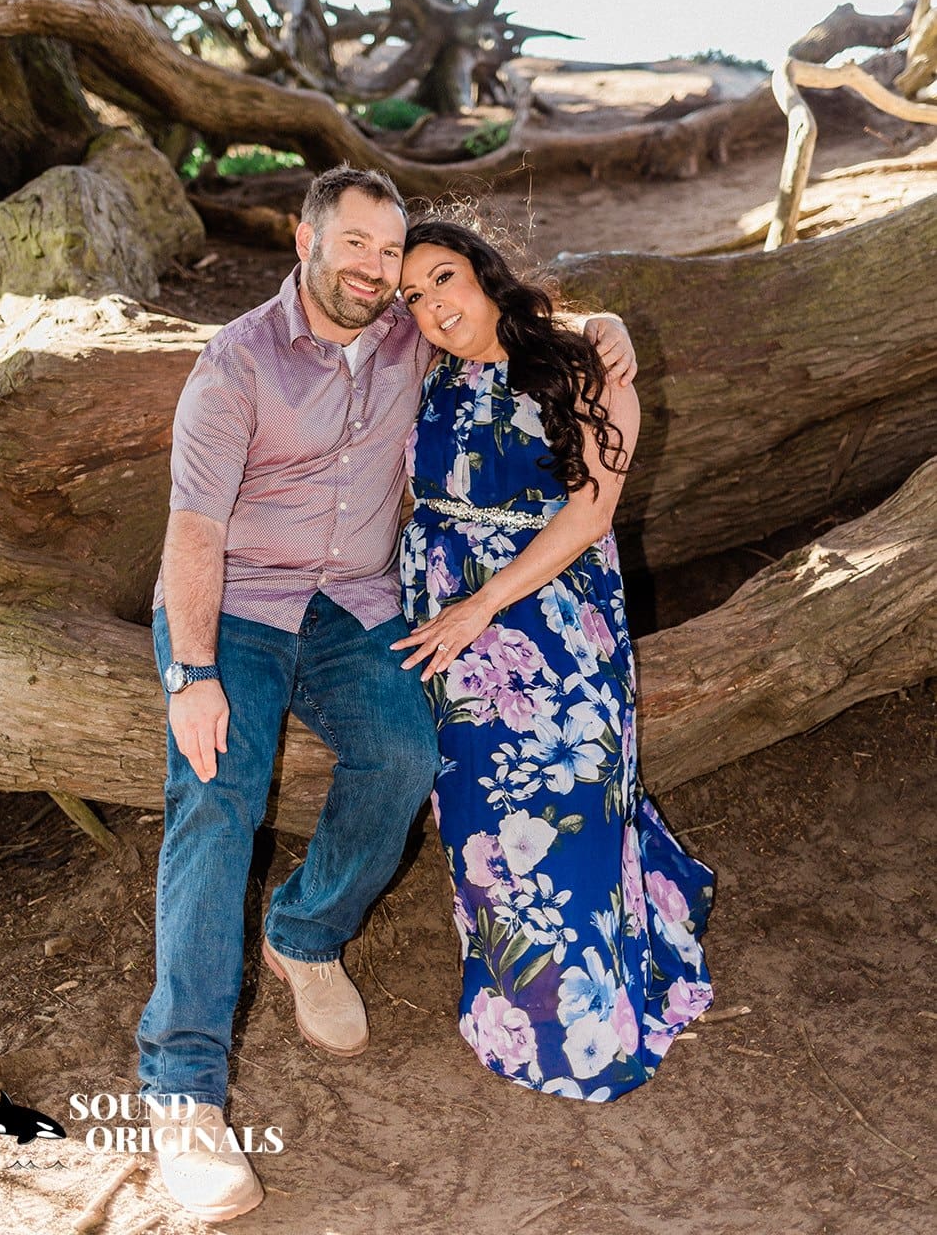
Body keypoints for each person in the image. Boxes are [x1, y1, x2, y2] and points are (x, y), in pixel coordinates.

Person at [137, 169, 636, 1221]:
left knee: (406, 754)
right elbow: (192, 530)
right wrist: (189, 673)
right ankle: (179, 1092)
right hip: (236, 603)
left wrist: (606, 320)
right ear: (304, 238)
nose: (376, 271)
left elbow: (507, 315)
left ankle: (305, 935)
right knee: (218, 796)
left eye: (390, 253)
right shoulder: (236, 362)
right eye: (356, 245)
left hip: (354, 603)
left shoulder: (409, 327)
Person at [391, 218, 713, 1100]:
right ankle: (509, 994)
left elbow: (589, 516)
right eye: (412, 296)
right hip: (441, 622)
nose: (431, 305)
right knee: (475, 824)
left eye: (444, 278)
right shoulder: (426, 372)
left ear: (486, 273)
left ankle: (583, 1018)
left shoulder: (584, 369)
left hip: (550, 621)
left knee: (567, 808)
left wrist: (479, 607)